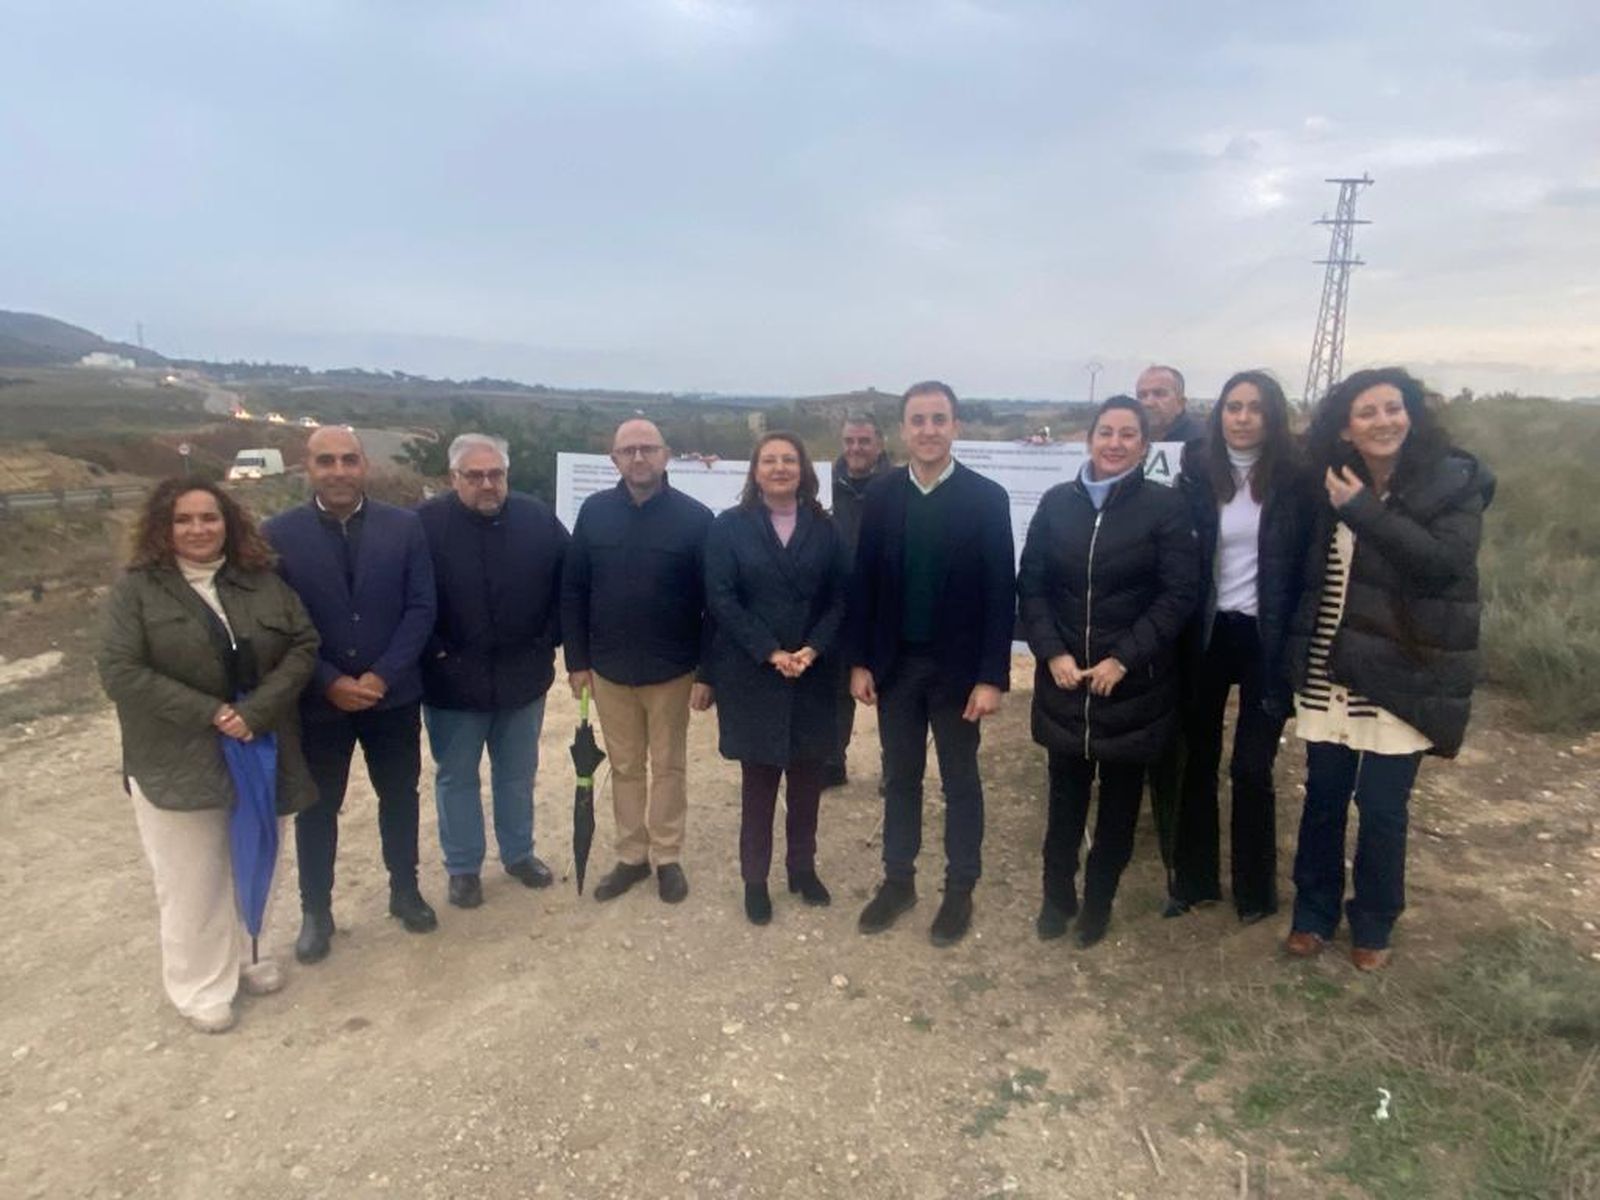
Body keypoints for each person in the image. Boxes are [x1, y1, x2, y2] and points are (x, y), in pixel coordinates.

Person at [1284, 367, 1493, 971]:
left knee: (1381, 805)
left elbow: (1444, 565)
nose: (1383, 421)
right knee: (1322, 796)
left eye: (1393, 408)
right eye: (1367, 412)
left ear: (1412, 415)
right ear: (1346, 430)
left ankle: (1373, 921)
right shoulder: (1328, 482)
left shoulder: (1453, 481)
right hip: (1332, 663)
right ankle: (1313, 913)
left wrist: (1362, 511)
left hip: (1404, 666)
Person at [98, 480, 320, 1033]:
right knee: (192, 877)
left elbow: (304, 644)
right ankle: (200, 985)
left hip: (259, 744)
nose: (198, 529)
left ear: (229, 522)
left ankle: (248, 955)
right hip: (180, 756)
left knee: (256, 853)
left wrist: (259, 711)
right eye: (183, 520)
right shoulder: (138, 593)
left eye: (209, 518)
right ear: (162, 527)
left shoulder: (260, 580)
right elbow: (121, 672)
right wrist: (214, 713)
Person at [1018, 396, 1198, 947]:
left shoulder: (1165, 508)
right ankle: (1057, 897)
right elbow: (1033, 586)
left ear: (1144, 446)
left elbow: (1178, 594)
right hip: (1067, 684)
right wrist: (1052, 654)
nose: (1114, 443)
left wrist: (1124, 658)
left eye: (1127, 435)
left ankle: (1098, 904)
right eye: (1105, 432)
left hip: (1132, 688)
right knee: (1064, 806)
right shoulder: (1055, 504)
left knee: (1119, 812)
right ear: (1088, 439)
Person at [847, 381, 1015, 947]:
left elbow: (1001, 594)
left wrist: (992, 677)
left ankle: (960, 889)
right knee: (900, 778)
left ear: (956, 426)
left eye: (938, 419)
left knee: (961, 782)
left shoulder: (987, 499)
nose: (927, 430)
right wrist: (860, 661)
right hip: (895, 668)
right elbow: (863, 584)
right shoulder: (883, 495)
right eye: (917, 420)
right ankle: (899, 882)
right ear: (903, 429)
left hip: (960, 674)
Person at [264, 426, 439, 963]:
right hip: (319, 702)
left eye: (348, 460)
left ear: (364, 465)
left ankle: (404, 890)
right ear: (306, 467)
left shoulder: (404, 527)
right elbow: (274, 622)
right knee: (318, 809)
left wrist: (383, 675)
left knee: (400, 796)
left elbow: (421, 608)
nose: (338, 470)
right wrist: (328, 680)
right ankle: (317, 910)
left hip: (393, 696)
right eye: (326, 461)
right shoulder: (277, 535)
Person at [1170, 372, 1312, 923]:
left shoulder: (1298, 479)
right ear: (1219, 414)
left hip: (1265, 638)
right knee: (1196, 759)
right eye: (1234, 406)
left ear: (1272, 415)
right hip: (1207, 634)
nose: (1243, 417)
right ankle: (1196, 881)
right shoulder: (1196, 469)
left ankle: (1255, 891)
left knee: (1252, 767)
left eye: (1255, 407)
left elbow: (1305, 569)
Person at [562, 418, 715, 905]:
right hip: (608, 669)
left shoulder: (696, 519)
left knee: (668, 766)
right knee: (625, 767)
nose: (639, 458)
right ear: (614, 459)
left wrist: (707, 673)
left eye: (648, 448)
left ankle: (667, 856)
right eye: (628, 450)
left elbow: (715, 605)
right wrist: (577, 662)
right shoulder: (594, 513)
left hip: (673, 669)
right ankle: (632, 856)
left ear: (667, 455)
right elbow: (575, 590)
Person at [417, 434, 569, 909]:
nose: (487, 484)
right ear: (453, 478)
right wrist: (437, 653)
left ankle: (519, 854)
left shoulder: (538, 519)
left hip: (524, 678)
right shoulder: (422, 526)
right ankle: (463, 868)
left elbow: (570, 583)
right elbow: (408, 599)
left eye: (496, 474)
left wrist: (549, 638)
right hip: (452, 683)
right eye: (474, 475)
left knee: (517, 773)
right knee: (457, 777)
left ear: (507, 475)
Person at [705, 433, 849, 925]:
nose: (780, 467)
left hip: (811, 671)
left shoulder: (826, 530)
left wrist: (813, 648)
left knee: (808, 782)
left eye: (789, 459)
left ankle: (802, 871)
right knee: (759, 784)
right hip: (753, 673)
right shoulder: (729, 528)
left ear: (804, 469)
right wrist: (769, 651)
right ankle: (755, 881)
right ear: (755, 470)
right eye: (770, 460)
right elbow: (722, 598)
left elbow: (839, 599)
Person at [1134, 363, 1204, 911]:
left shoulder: (1201, 452)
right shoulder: (1127, 448)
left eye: (1160, 393)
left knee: (1175, 747)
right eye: (1143, 394)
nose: (1151, 401)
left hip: (1181, 621)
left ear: (1181, 399)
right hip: (1126, 617)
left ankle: (1180, 865)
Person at [827, 410, 893, 788]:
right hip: (836, 604)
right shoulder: (821, 482)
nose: (856, 448)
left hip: (884, 603)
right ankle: (832, 762)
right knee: (836, 689)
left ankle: (893, 766)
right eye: (850, 441)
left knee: (889, 689)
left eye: (864, 441)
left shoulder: (899, 484)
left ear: (879, 444)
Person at [1135, 364, 1204, 444]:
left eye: (1159, 394)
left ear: (1180, 403)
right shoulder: (1130, 439)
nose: (1148, 403)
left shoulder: (1203, 442)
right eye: (1142, 395)